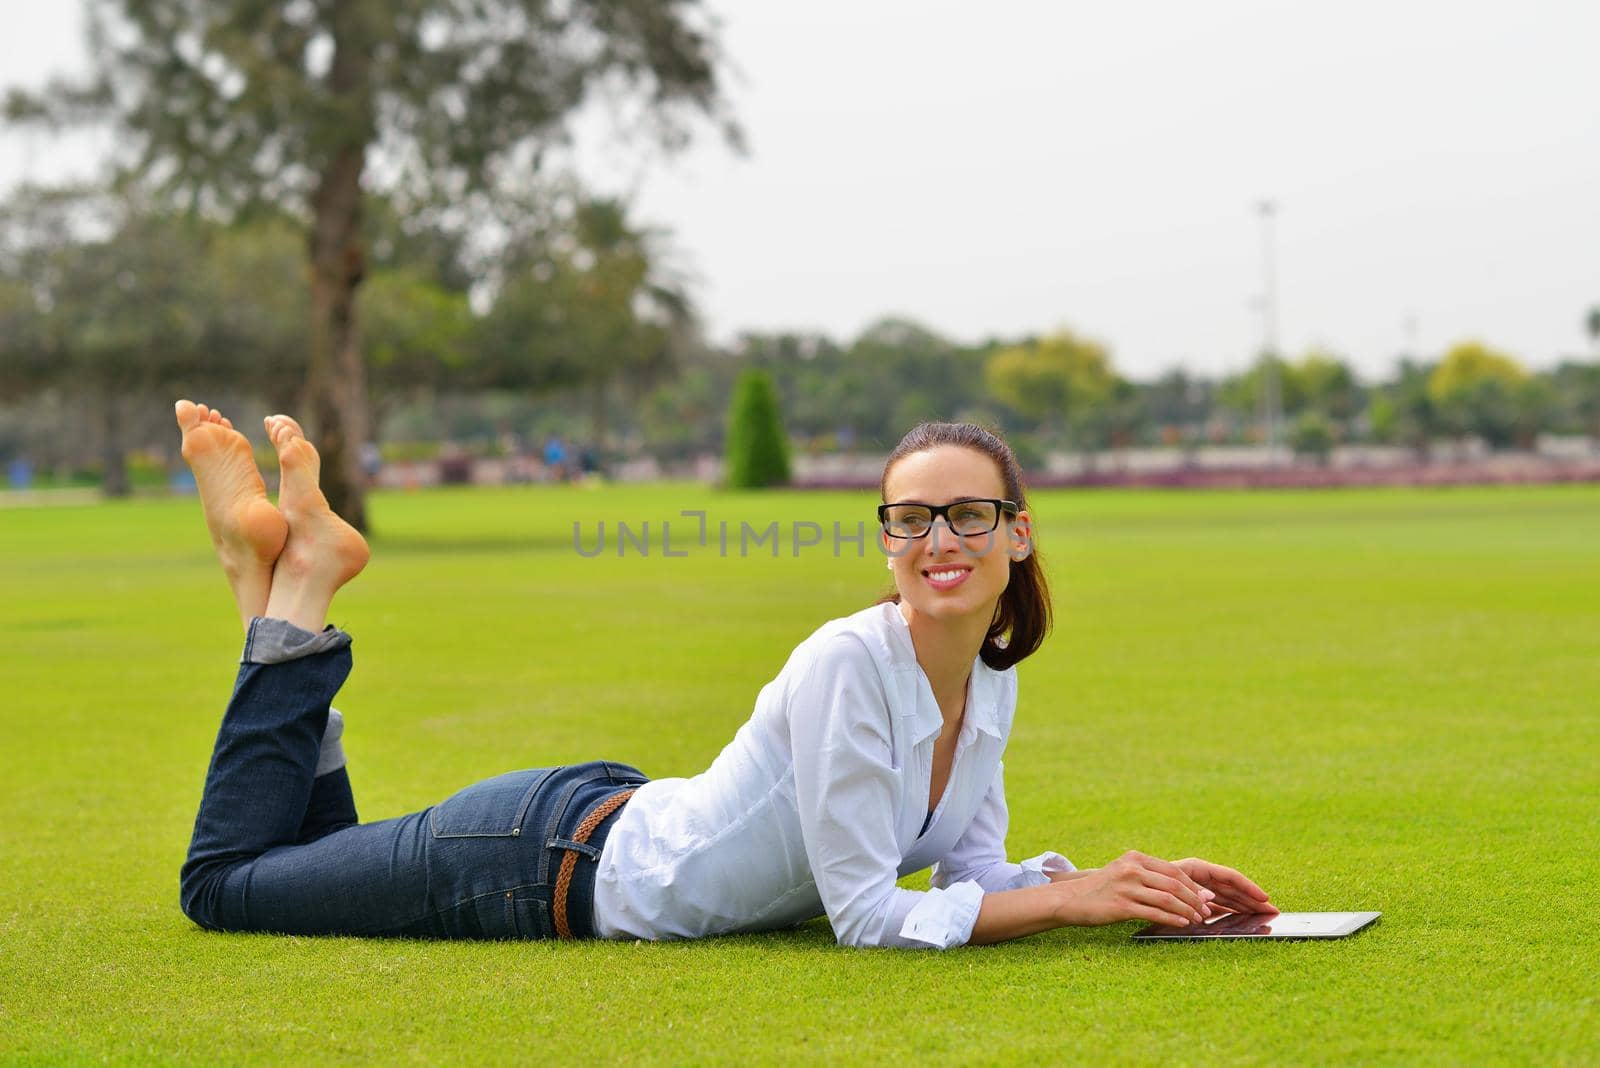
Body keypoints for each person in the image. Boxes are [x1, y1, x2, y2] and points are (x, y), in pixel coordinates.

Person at [174, 400, 1275, 947]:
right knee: (227, 889)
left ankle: (278, 585)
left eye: (970, 515)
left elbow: (963, 869)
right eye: (911, 516)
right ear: (886, 539)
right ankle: (289, 585)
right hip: (533, 865)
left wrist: (1120, 882)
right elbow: (861, 913)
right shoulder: (850, 662)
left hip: (593, 822)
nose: (941, 539)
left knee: (300, 860)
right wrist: (1068, 905)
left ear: (1018, 536)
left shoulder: (987, 680)